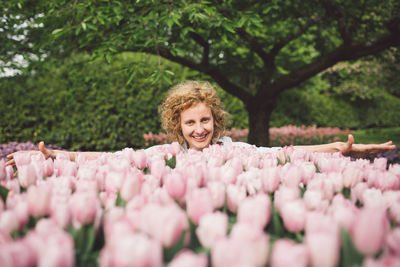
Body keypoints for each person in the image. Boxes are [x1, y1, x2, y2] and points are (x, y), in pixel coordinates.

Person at [5, 80, 396, 166]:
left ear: (216, 119)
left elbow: (286, 151)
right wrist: (54, 154)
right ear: (178, 126)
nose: (199, 129)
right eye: (190, 122)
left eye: (205, 120)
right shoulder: (166, 155)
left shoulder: (233, 150)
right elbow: (111, 158)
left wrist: (343, 149)